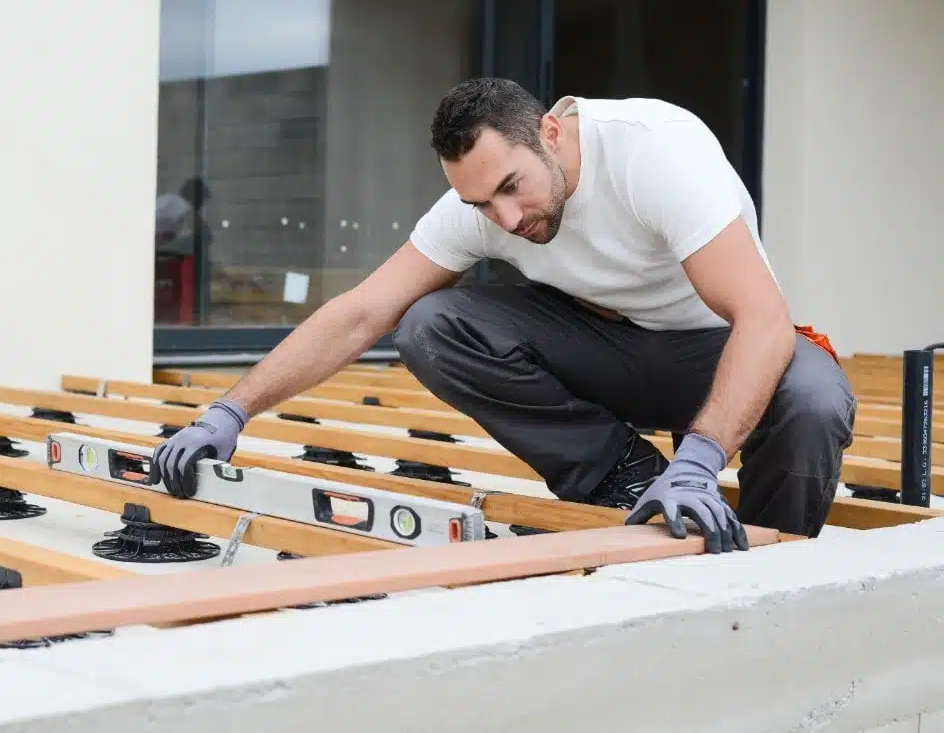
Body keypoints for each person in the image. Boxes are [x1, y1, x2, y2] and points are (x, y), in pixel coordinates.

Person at [152, 78, 856, 552]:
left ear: (551, 132)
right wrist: (230, 412)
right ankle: (628, 479)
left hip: (716, 353)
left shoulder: (653, 150)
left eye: (511, 189)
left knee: (816, 400)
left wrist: (701, 460)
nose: (506, 219)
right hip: (609, 355)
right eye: (481, 205)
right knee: (431, 322)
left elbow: (762, 317)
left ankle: (761, 556)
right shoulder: (485, 204)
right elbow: (362, 312)